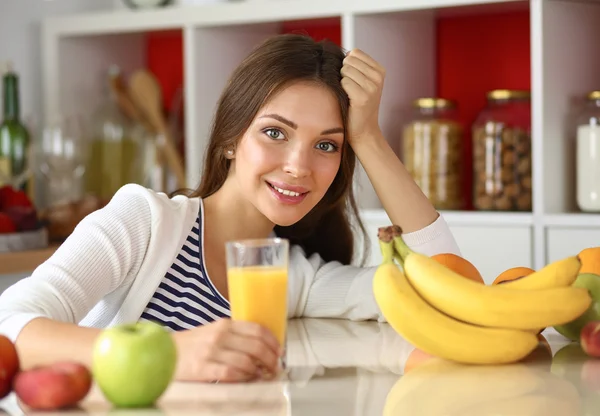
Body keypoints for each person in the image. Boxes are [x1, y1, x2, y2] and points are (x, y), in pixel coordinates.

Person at [0, 34, 460, 383]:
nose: (299, 166)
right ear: (229, 140)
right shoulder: (144, 222)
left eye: (326, 144)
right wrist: (171, 353)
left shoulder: (293, 278)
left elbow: (447, 291)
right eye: (275, 133)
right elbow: (12, 325)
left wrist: (369, 139)